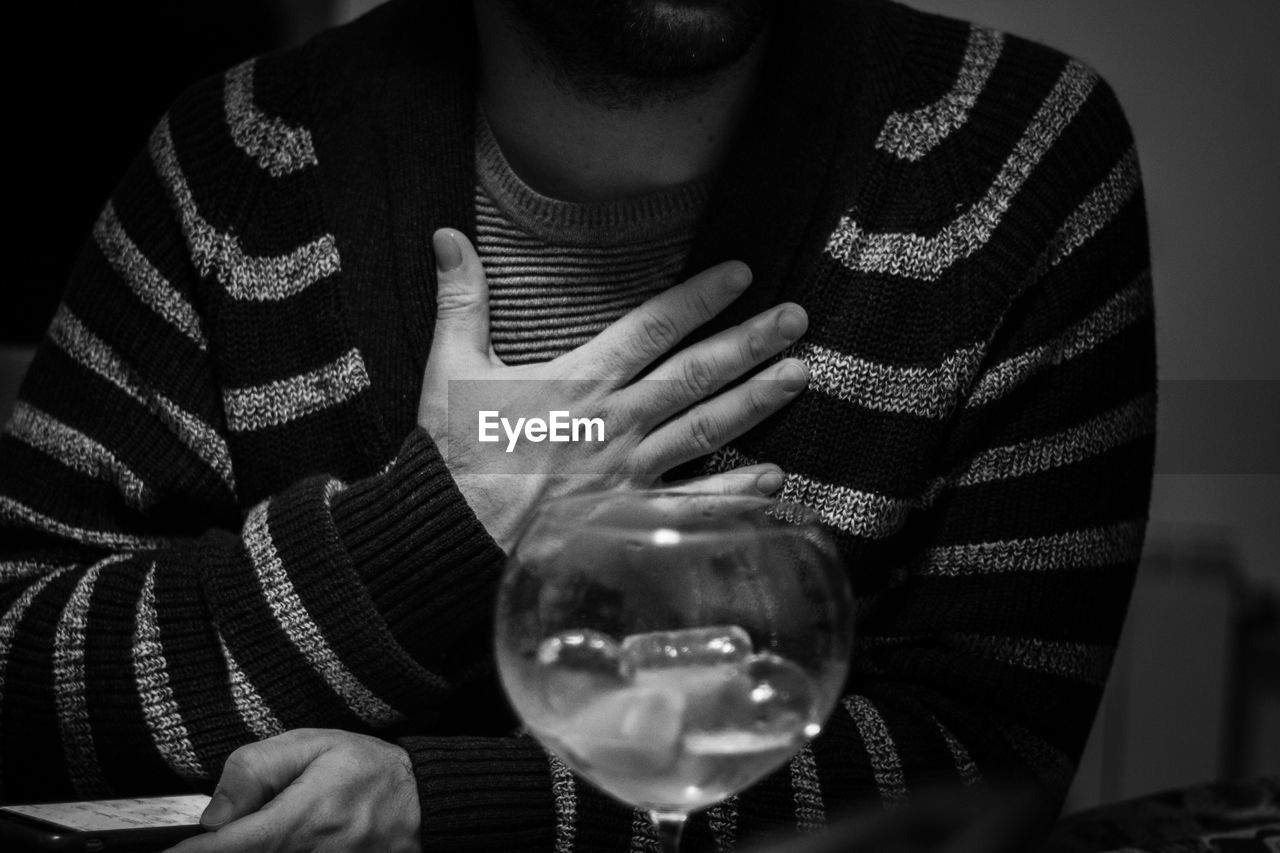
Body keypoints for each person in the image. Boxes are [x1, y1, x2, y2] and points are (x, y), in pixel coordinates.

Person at [0, 0, 1156, 850]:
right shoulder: (236, 163)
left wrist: (446, 813)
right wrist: (443, 527)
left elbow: (984, 762)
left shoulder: (1007, 160)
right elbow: (18, 687)